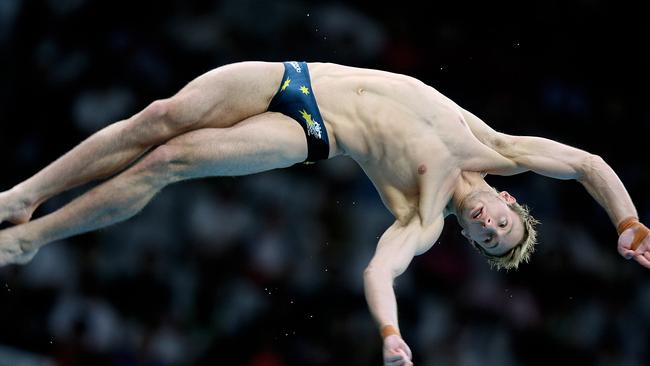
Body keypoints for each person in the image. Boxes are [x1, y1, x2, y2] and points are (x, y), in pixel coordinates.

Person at [0, 61, 648, 366]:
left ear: (469, 238)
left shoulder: (421, 219)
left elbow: (377, 275)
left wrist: (391, 335)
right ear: (509, 200)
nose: (489, 225)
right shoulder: (501, 149)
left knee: (168, 160)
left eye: (487, 239)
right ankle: (23, 196)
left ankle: (32, 240)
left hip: (313, 132)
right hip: (299, 76)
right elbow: (590, 163)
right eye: (502, 223)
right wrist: (626, 222)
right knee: (160, 117)